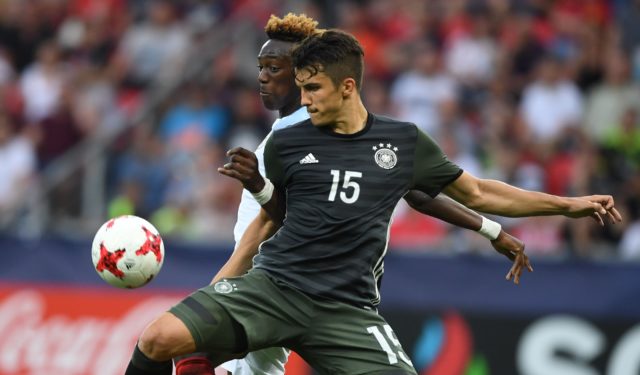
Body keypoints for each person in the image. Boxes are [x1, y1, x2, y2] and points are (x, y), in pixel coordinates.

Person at [124, 29, 622, 375]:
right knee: (156, 340)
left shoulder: (401, 143)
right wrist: (218, 291)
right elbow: (264, 224)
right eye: (301, 88)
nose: (306, 99)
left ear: (347, 87)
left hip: (347, 309)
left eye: (314, 88)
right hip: (273, 289)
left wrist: (565, 205)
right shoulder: (285, 144)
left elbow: (478, 191)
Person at [174, 13, 531, 375]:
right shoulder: (283, 136)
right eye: (260, 67)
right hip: (274, 286)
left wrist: (491, 229)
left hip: (281, 285)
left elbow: (416, 192)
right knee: (204, 357)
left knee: (198, 351)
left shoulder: (320, 135)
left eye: (274, 67)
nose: (263, 77)